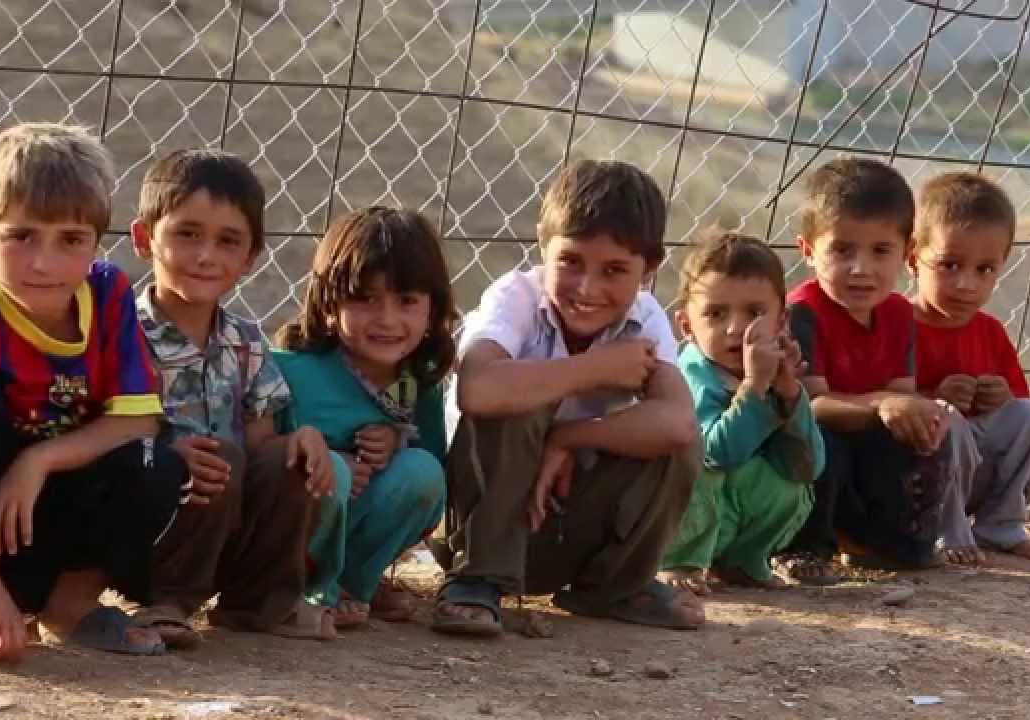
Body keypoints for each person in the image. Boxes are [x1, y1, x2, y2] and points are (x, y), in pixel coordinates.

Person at [0, 122, 185, 663]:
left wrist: (40, 460)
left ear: (96, 242)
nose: (44, 263)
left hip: (60, 521)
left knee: (157, 460)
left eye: (70, 240)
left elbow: (137, 420)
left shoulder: (108, 293)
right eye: (21, 236)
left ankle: (71, 607)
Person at [434, 159, 703, 637]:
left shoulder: (645, 318)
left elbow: (678, 424)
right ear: (543, 245)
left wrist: (570, 437)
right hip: (474, 520)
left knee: (678, 445)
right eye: (570, 262)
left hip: (560, 523)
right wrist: (596, 369)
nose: (587, 288)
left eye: (614, 270)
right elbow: (477, 388)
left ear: (649, 269)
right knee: (520, 393)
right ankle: (476, 579)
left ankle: (612, 586)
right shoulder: (515, 297)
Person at [129, 149, 338, 647]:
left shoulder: (245, 341)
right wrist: (166, 456)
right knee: (215, 456)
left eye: (228, 241)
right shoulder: (122, 335)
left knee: (289, 459)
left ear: (251, 257)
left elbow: (259, 442)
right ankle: (166, 601)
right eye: (187, 234)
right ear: (144, 238)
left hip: (227, 516)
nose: (206, 256)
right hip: (145, 522)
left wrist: (299, 441)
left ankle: (258, 603)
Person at [274, 206, 457, 630]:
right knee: (332, 473)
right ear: (328, 303)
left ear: (433, 309)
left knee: (422, 472)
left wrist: (396, 440)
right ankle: (294, 591)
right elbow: (264, 454)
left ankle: (351, 584)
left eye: (406, 301)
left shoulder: (418, 384)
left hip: (358, 522)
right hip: (292, 533)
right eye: (365, 299)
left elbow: (430, 479)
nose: (387, 320)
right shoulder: (290, 372)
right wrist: (330, 458)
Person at [783, 156, 957, 579]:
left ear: (907, 254)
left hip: (866, 438)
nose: (861, 269)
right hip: (811, 438)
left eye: (881, 251)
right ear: (808, 250)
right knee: (822, 443)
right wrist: (882, 405)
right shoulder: (802, 313)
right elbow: (810, 405)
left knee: (925, 429)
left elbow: (901, 392)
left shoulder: (898, 314)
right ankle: (804, 549)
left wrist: (919, 413)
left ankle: (889, 543)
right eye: (841, 250)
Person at [660, 231, 822, 597]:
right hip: (676, 521)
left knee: (790, 485)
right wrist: (753, 387)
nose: (735, 328)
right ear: (686, 326)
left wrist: (789, 394)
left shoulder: (776, 372)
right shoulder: (689, 376)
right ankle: (679, 562)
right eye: (716, 314)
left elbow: (809, 466)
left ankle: (743, 561)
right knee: (698, 466)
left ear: (781, 322)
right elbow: (716, 455)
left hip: (727, 518)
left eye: (755, 313)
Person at [909, 171, 1030, 565]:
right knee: (945, 417)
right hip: (918, 479)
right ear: (913, 258)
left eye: (985, 270)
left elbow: (1019, 408)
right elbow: (884, 402)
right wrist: (931, 398)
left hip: (979, 470)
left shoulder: (989, 331)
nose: (966, 284)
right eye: (950, 265)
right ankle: (947, 534)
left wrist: (1003, 398)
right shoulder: (895, 325)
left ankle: (1001, 526)